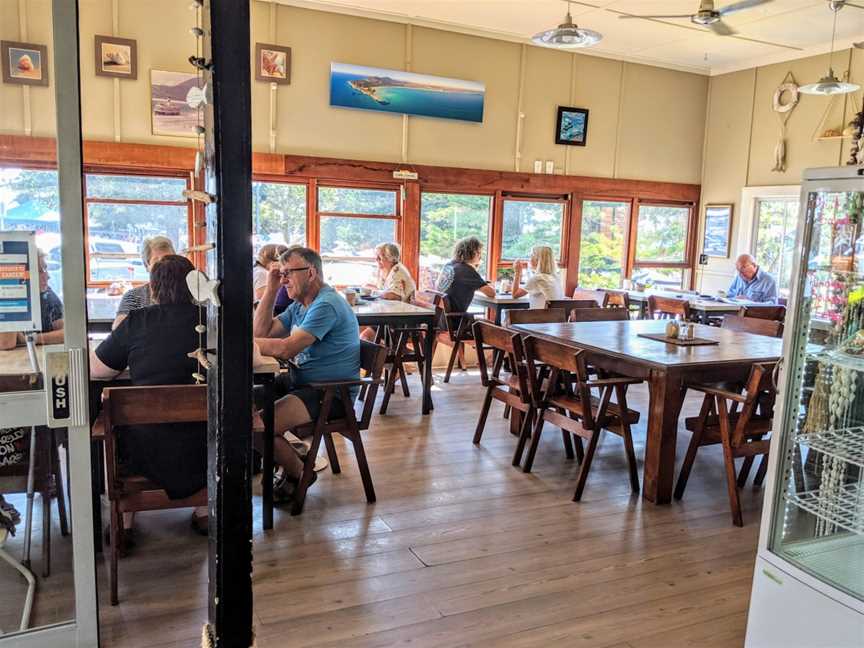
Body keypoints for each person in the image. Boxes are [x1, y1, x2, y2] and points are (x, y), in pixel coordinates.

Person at [90, 255, 209, 535]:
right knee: (200, 424)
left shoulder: (137, 321)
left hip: (146, 449)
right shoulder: (211, 322)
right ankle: (204, 510)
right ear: (195, 287)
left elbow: (98, 370)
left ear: (152, 290)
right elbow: (249, 360)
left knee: (116, 426)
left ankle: (126, 517)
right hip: (205, 445)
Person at [253, 247, 360, 500]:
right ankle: (291, 458)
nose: (284, 279)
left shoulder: (326, 304)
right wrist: (271, 288)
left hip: (331, 394)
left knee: (256, 427)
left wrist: (243, 343)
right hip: (301, 383)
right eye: (281, 273)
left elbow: (286, 348)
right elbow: (262, 331)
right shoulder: (299, 306)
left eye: (288, 273)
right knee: (240, 412)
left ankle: (299, 472)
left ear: (311, 272)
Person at [0, 250, 64, 350]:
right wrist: (13, 290)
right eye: (40, 271)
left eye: (45, 269)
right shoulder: (8, 297)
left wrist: (32, 338)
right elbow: (6, 343)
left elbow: (66, 333)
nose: (47, 276)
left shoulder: (47, 295)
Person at [112, 236, 176, 329]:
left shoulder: (190, 293)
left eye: (168, 259)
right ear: (147, 266)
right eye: (156, 261)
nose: (163, 265)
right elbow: (119, 330)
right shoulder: (133, 296)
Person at [436, 236, 496, 314]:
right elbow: (492, 293)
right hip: (457, 319)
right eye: (478, 252)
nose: (480, 256)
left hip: (441, 318)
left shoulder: (449, 265)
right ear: (471, 252)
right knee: (490, 325)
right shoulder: (467, 270)